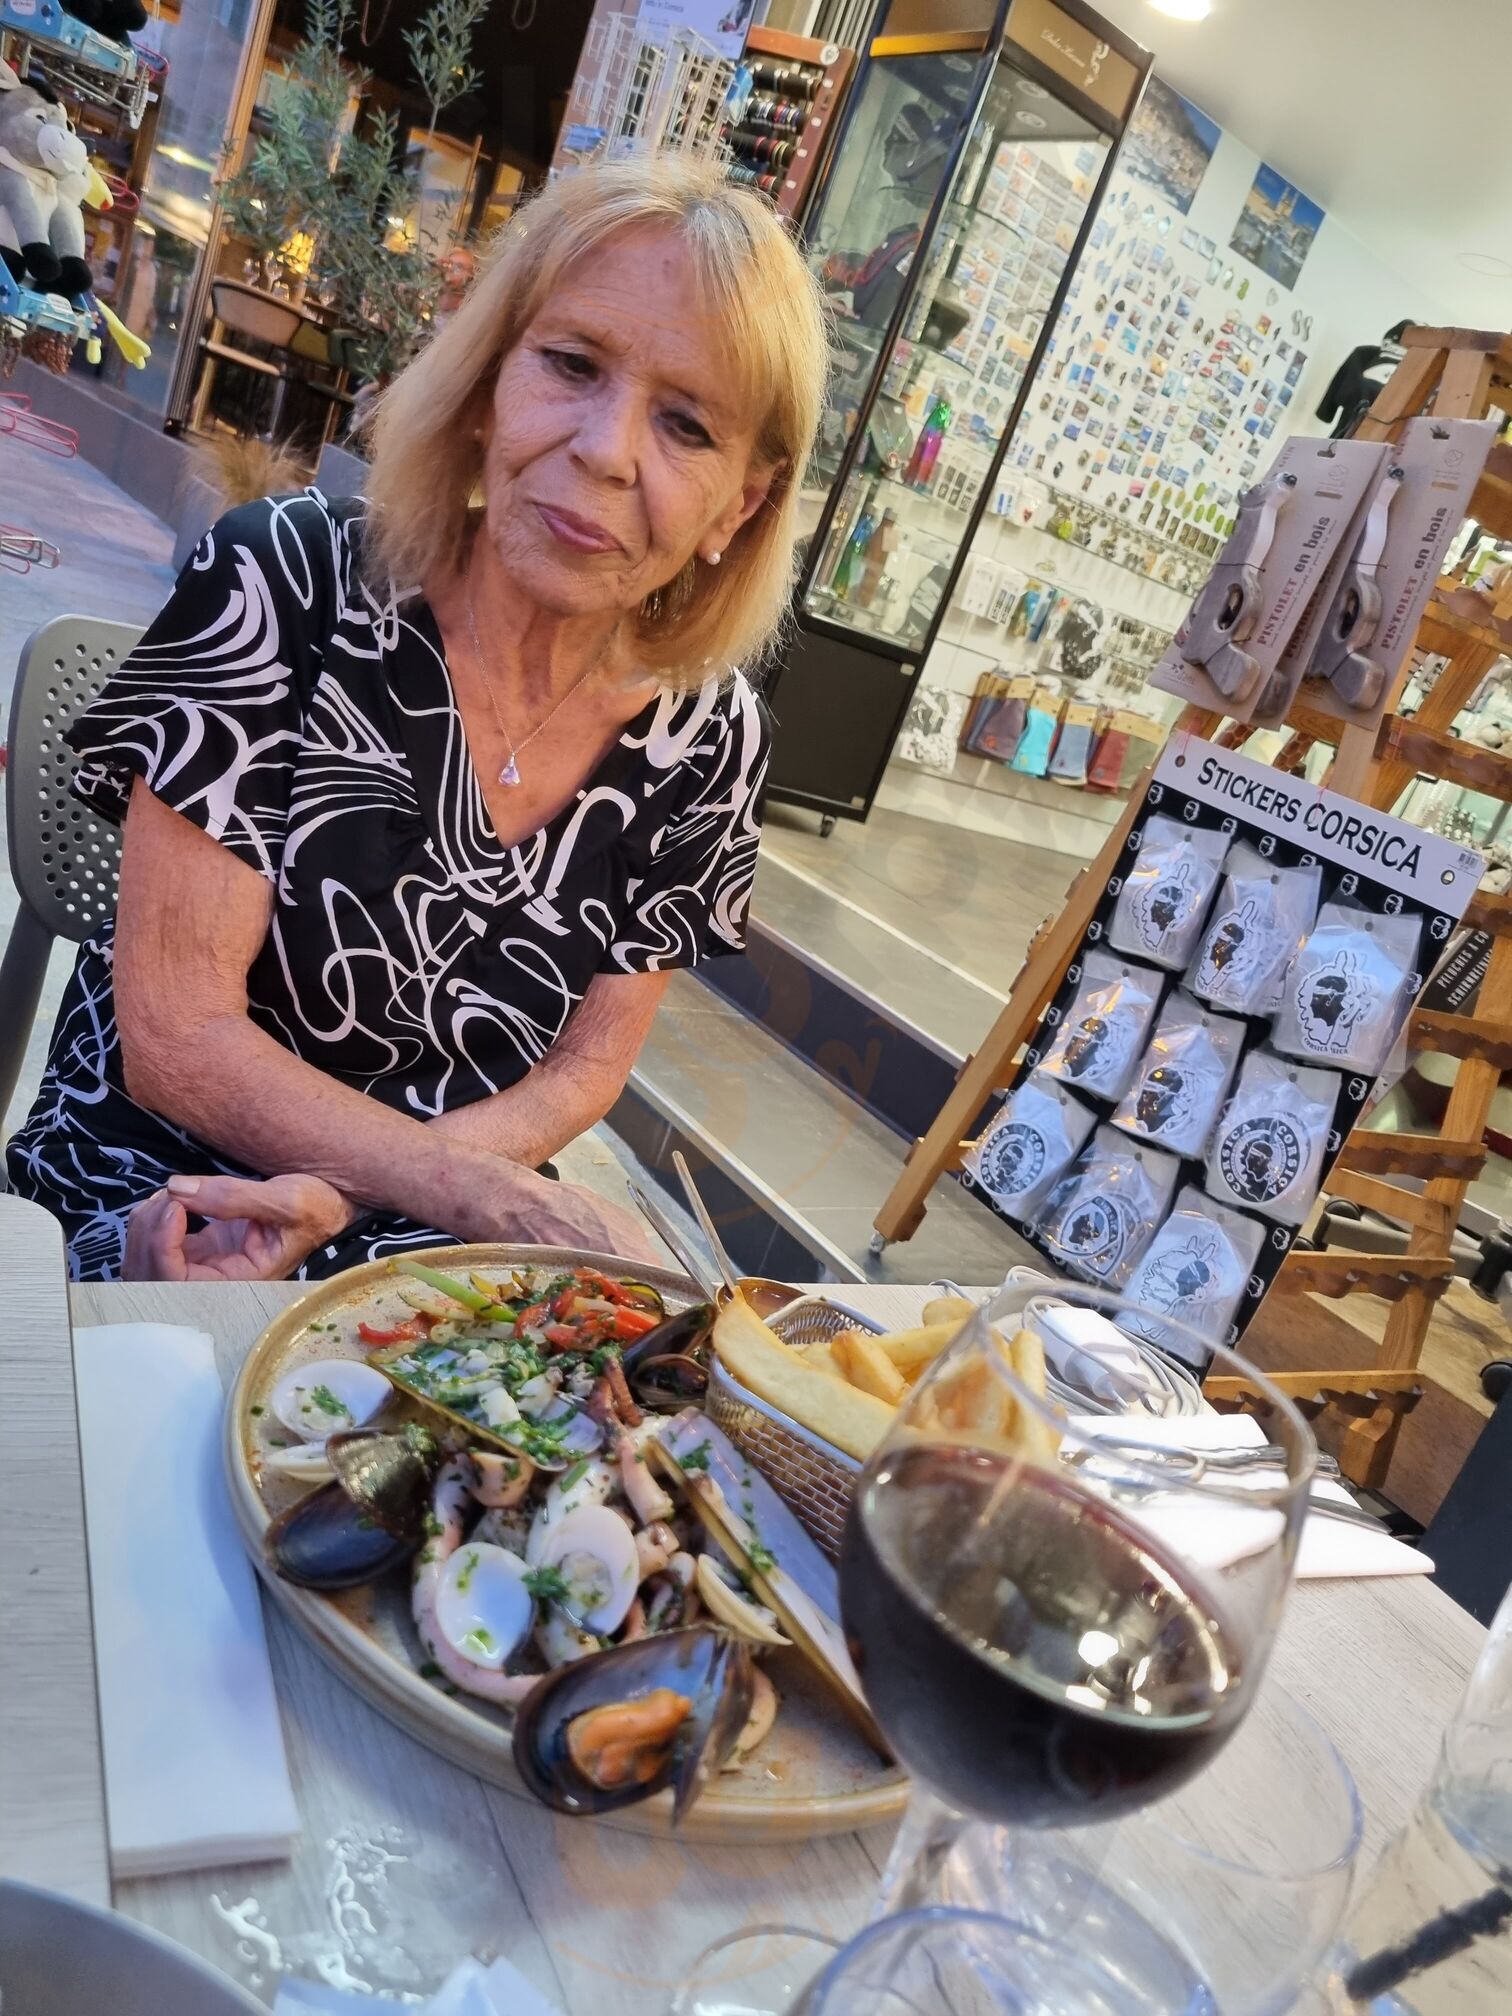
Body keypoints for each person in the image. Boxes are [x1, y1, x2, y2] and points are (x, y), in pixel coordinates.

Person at [6, 153, 829, 1281]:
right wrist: (467, 1193)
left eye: (688, 426)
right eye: (572, 364)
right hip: (167, 1190)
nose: (606, 450)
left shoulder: (713, 742)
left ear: (742, 505)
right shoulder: (286, 584)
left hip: (435, 1229)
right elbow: (178, 1041)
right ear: (489, 383)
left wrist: (357, 1196)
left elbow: (584, 1070)